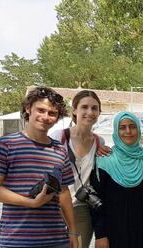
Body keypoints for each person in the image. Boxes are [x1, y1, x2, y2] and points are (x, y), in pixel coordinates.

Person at [0, 86, 78, 248]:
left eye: (52, 113)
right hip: (16, 240)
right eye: (40, 110)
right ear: (28, 109)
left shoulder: (60, 150)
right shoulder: (5, 144)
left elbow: (64, 193)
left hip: (57, 240)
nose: (45, 117)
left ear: (57, 117)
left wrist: (73, 232)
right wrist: (32, 203)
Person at [92, 111, 143, 248]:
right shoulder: (104, 160)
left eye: (132, 126)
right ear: (116, 131)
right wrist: (100, 235)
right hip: (115, 234)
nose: (128, 131)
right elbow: (96, 201)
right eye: (122, 127)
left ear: (139, 129)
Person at [50, 90, 104, 248]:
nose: (90, 112)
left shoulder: (99, 141)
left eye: (94, 108)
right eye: (84, 107)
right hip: (55, 205)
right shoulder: (58, 136)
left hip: (81, 209)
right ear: (74, 110)